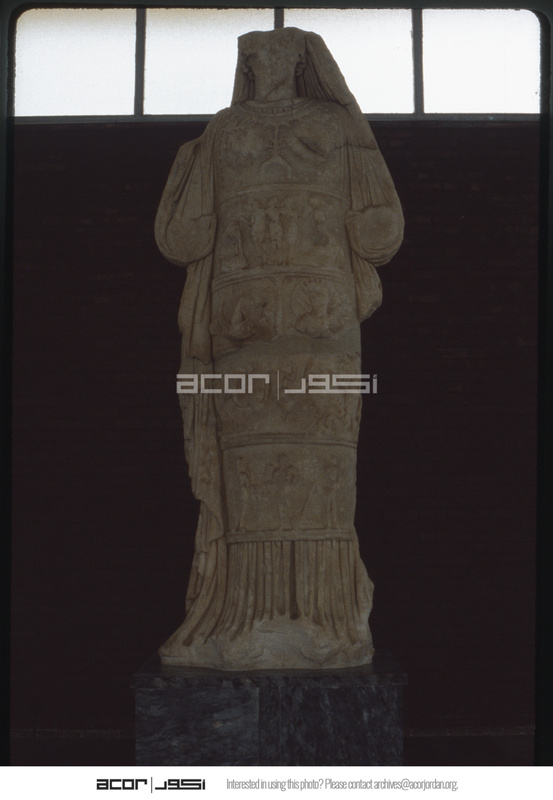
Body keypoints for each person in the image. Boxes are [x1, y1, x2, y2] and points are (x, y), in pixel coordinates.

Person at [155, 27, 403, 669]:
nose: (268, 62)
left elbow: (380, 226)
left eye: (281, 53)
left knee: (323, 468)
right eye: (256, 55)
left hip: (324, 316)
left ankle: (325, 617)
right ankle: (244, 615)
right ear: (244, 64)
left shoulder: (336, 123)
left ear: (301, 62)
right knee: (248, 467)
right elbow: (184, 238)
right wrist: (187, 186)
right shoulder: (223, 129)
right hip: (243, 319)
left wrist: (361, 218)